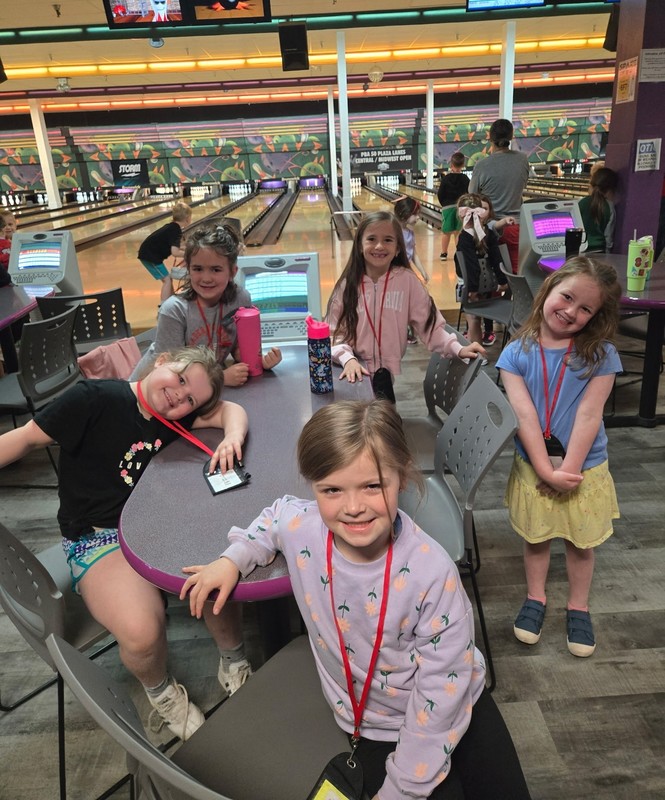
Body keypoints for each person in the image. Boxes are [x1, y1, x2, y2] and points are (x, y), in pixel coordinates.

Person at [181, 400, 532, 800]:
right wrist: (233, 558)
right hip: (371, 724)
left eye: (372, 485)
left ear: (402, 476)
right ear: (313, 487)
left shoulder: (433, 574)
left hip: (452, 698)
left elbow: (439, 696)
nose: (352, 508)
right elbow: (275, 517)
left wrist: (402, 788)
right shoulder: (303, 526)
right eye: (331, 489)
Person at [0, 346, 251, 740]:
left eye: (190, 400)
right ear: (164, 360)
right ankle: (161, 691)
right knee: (141, 632)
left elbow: (230, 411)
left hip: (155, 524)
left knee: (217, 571)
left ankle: (233, 661)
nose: (178, 397)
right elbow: (25, 438)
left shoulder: (176, 418)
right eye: (180, 380)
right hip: (96, 539)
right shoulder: (93, 398)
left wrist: (231, 437)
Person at [496, 257, 622, 658]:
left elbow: (589, 414)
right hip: (536, 465)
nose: (571, 311)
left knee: (580, 542)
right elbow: (524, 416)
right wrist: (545, 469)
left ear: (596, 316)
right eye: (566, 297)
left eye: (586, 309)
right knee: (536, 537)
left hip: (582, 468)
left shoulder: (601, 354)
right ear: (548, 289)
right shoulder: (516, 353)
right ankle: (536, 598)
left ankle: (578, 606)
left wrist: (566, 470)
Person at [325, 211, 485, 387]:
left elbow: (430, 326)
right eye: (371, 239)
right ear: (360, 246)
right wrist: (347, 359)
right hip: (351, 371)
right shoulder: (348, 285)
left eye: (388, 240)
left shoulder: (407, 281)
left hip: (385, 374)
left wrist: (458, 348)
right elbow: (333, 332)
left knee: (384, 412)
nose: (379, 246)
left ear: (398, 248)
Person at [131, 223, 282, 386]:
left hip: (195, 390)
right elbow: (171, 371)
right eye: (197, 269)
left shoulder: (240, 299)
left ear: (232, 271)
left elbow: (238, 348)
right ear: (188, 269)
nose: (206, 278)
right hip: (150, 388)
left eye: (216, 269)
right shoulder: (174, 310)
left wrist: (259, 361)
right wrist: (221, 378)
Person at [469, 119, 530, 273]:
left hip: (491, 229)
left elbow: (471, 196)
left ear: (490, 138)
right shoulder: (522, 159)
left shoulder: (482, 165)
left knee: (493, 278)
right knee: (517, 276)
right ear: (512, 136)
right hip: (516, 227)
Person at [454, 193, 507, 353]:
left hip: (470, 286)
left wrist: (472, 289)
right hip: (487, 284)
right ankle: (479, 348)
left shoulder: (464, 237)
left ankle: (478, 356)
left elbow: (471, 266)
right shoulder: (487, 233)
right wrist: (502, 281)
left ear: (461, 213)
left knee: (473, 320)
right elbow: (497, 259)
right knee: (479, 315)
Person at [138, 201, 192, 305]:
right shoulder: (176, 231)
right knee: (167, 280)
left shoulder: (173, 227)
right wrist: (189, 254)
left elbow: (176, 246)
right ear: (187, 218)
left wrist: (189, 248)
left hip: (149, 253)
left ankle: (172, 301)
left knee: (168, 279)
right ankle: (164, 305)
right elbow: (175, 252)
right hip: (150, 256)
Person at [437, 152, 470, 261]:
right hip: (461, 208)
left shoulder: (446, 179)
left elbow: (440, 194)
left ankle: (443, 253)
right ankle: (459, 253)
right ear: (463, 165)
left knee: (446, 232)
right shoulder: (465, 178)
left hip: (447, 208)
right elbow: (469, 193)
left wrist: (444, 205)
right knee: (458, 232)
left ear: (451, 164)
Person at [578, 166, 619, 253]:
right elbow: (608, 236)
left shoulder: (581, 203)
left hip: (581, 250)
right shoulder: (609, 206)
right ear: (610, 189)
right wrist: (608, 255)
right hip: (600, 251)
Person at [393, 196, 429, 283]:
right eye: (415, 214)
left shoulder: (410, 233)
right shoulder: (392, 233)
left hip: (406, 270)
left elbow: (413, 255)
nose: (418, 217)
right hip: (394, 273)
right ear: (404, 213)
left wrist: (422, 271)